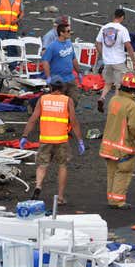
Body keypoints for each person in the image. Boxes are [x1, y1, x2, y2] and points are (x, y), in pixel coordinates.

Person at [20, 75, 84, 206]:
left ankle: (38, 185)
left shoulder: (43, 99)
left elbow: (33, 119)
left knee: (42, 165)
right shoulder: (67, 101)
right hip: (61, 139)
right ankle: (60, 197)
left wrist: (24, 136)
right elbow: (74, 121)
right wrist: (80, 140)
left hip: (45, 139)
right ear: (63, 88)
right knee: (62, 166)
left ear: (50, 87)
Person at [99, 72, 135, 209]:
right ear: (134, 90)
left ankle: (112, 199)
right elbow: (134, 127)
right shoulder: (132, 106)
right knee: (123, 173)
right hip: (123, 147)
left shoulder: (113, 100)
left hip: (108, 145)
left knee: (111, 173)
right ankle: (118, 201)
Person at [95, 9, 135, 113]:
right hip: (119, 61)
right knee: (119, 85)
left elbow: (97, 43)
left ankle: (102, 98)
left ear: (114, 16)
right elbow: (128, 46)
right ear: (122, 17)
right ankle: (114, 107)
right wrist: (134, 61)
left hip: (107, 61)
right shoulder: (122, 29)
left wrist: (103, 54)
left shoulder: (104, 28)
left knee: (108, 83)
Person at [42, 23, 83, 107]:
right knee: (59, 103)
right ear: (61, 33)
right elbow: (45, 61)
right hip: (58, 80)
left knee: (74, 100)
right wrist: (48, 77)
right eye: (68, 31)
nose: (70, 33)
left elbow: (73, 58)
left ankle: (69, 116)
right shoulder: (52, 46)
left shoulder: (69, 43)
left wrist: (79, 72)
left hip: (70, 78)